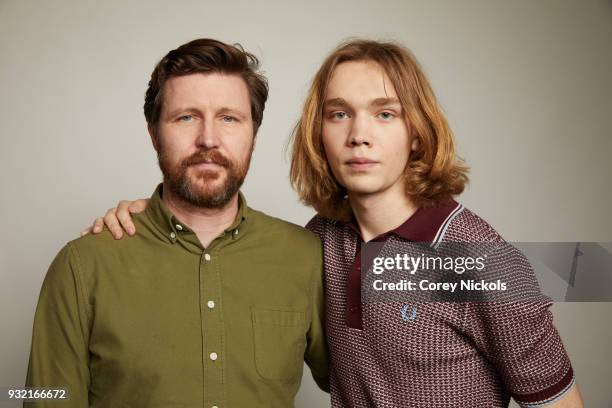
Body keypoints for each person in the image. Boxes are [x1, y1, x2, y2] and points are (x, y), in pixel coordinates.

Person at [84, 39, 583, 407]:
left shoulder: (476, 257)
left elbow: (559, 401)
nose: (359, 135)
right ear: (318, 133)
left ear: (417, 132)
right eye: (339, 114)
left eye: (385, 114)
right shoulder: (318, 245)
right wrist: (151, 220)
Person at [26, 38, 329, 408]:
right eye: (186, 117)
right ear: (154, 134)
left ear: (254, 135)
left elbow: (373, 377)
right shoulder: (82, 266)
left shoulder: (306, 256)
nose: (208, 139)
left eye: (229, 118)